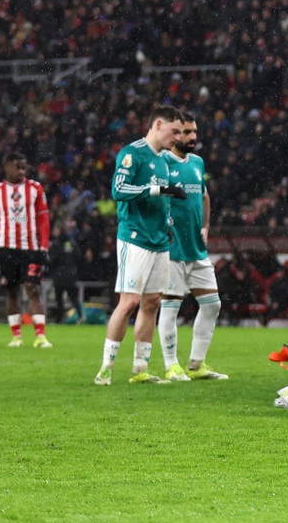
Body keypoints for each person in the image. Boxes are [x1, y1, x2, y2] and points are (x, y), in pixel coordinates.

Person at [96, 105, 186, 385]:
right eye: (174, 131)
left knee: (152, 302)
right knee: (129, 302)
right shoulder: (131, 153)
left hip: (160, 240)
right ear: (158, 124)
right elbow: (118, 191)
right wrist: (155, 190)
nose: (178, 138)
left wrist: (168, 222)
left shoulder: (164, 160)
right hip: (135, 238)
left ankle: (140, 369)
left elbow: (164, 200)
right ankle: (106, 368)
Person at [158, 113, 227, 381]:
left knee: (212, 305)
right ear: (174, 134)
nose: (193, 138)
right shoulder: (161, 162)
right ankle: (171, 365)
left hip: (196, 248)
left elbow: (204, 195)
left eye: (195, 132)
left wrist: (206, 226)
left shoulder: (197, 162)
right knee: (171, 306)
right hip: (172, 249)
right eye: (187, 132)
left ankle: (197, 366)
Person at [0, 152, 50, 348]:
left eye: (24, 168)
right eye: (18, 167)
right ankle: (16, 337)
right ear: (7, 167)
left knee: (32, 289)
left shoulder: (35, 188)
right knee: (11, 291)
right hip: (6, 249)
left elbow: (44, 219)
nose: (22, 171)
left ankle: (40, 336)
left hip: (30, 249)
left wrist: (44, 247)